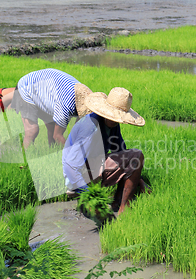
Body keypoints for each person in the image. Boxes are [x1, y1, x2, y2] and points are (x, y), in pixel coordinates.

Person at [62, 87, 151, 215]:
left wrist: (140, 182)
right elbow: (71, 166)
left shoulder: (112, 125)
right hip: (78, 175)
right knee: (137, 156)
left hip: (91, 167)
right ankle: (124, 210)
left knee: (132, 158)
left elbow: (122, 153)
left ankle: (117, 203)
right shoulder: (90, 127)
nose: (116, 120)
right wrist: (90, 194)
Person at [11, 68, 92, 148]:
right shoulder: (66, 107)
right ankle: (23, 156)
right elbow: (57, 136)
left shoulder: (86, 98)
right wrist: (74, 156)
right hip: (27, 88)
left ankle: (52, 151)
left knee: (52, 128)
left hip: (46, 90)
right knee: (32, 130)